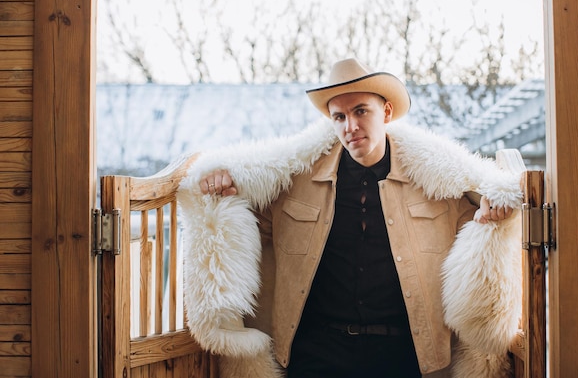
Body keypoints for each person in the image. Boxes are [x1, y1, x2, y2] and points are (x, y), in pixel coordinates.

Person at [178, 58, 522, 378]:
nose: (351, 126)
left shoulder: (433, 183)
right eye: (339, 117)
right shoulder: (297, 182)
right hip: (317, 352)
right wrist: (222, 180)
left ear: (386, 112)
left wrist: (492, 214)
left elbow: (474, 225)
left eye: (361, 111)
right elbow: (249, 220)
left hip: (403, 352)